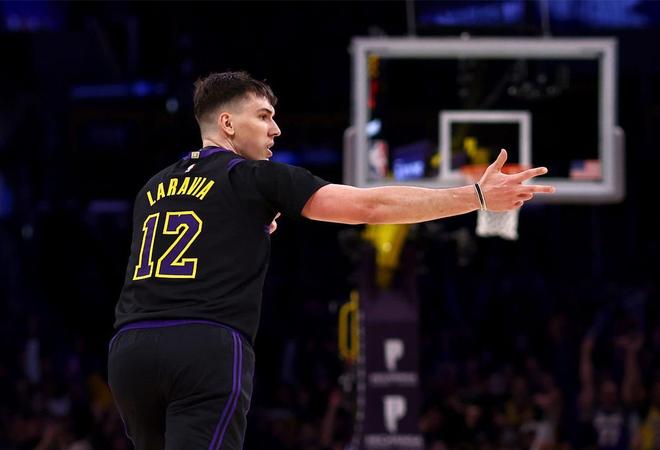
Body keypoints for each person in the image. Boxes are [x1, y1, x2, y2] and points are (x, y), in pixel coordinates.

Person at [107, 71, 554, 450]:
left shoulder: (153, 188)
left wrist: (256, 223)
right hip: (203, 345)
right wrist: (476, 196)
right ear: (227, 123)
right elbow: (368, 207)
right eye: (263, 116)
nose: (275, 129)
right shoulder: (255, 177)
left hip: (129, 351)